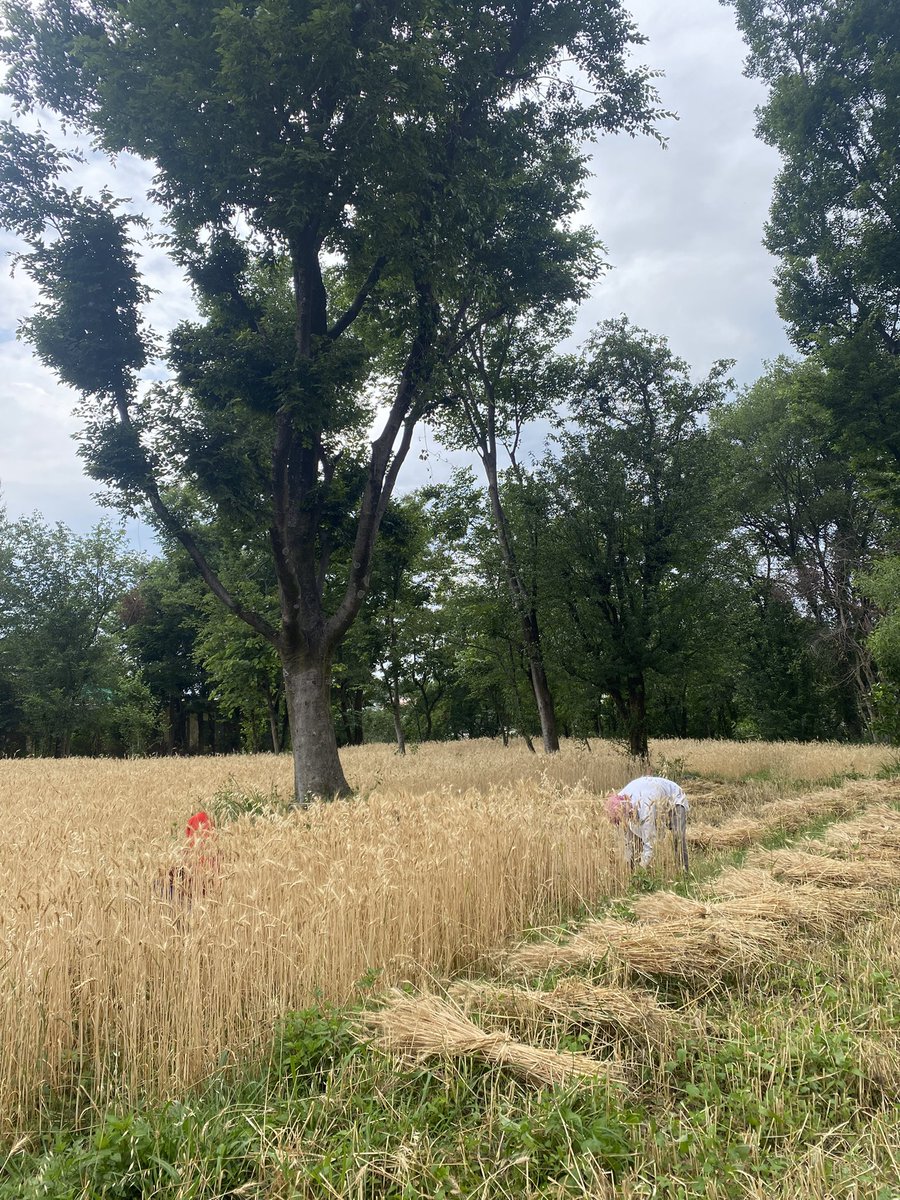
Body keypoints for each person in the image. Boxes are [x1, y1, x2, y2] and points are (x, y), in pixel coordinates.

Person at [606, 776, 689, 871]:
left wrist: (641, 870)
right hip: (652, 794)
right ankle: (631, 868)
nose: (621, 823)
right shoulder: (617, 803)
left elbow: (650, 845)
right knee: (634, 837)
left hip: (675, 797)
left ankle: (684, 872)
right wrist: (626, 864)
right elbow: (627, 840)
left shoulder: (645, 809)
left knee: (678, 836)